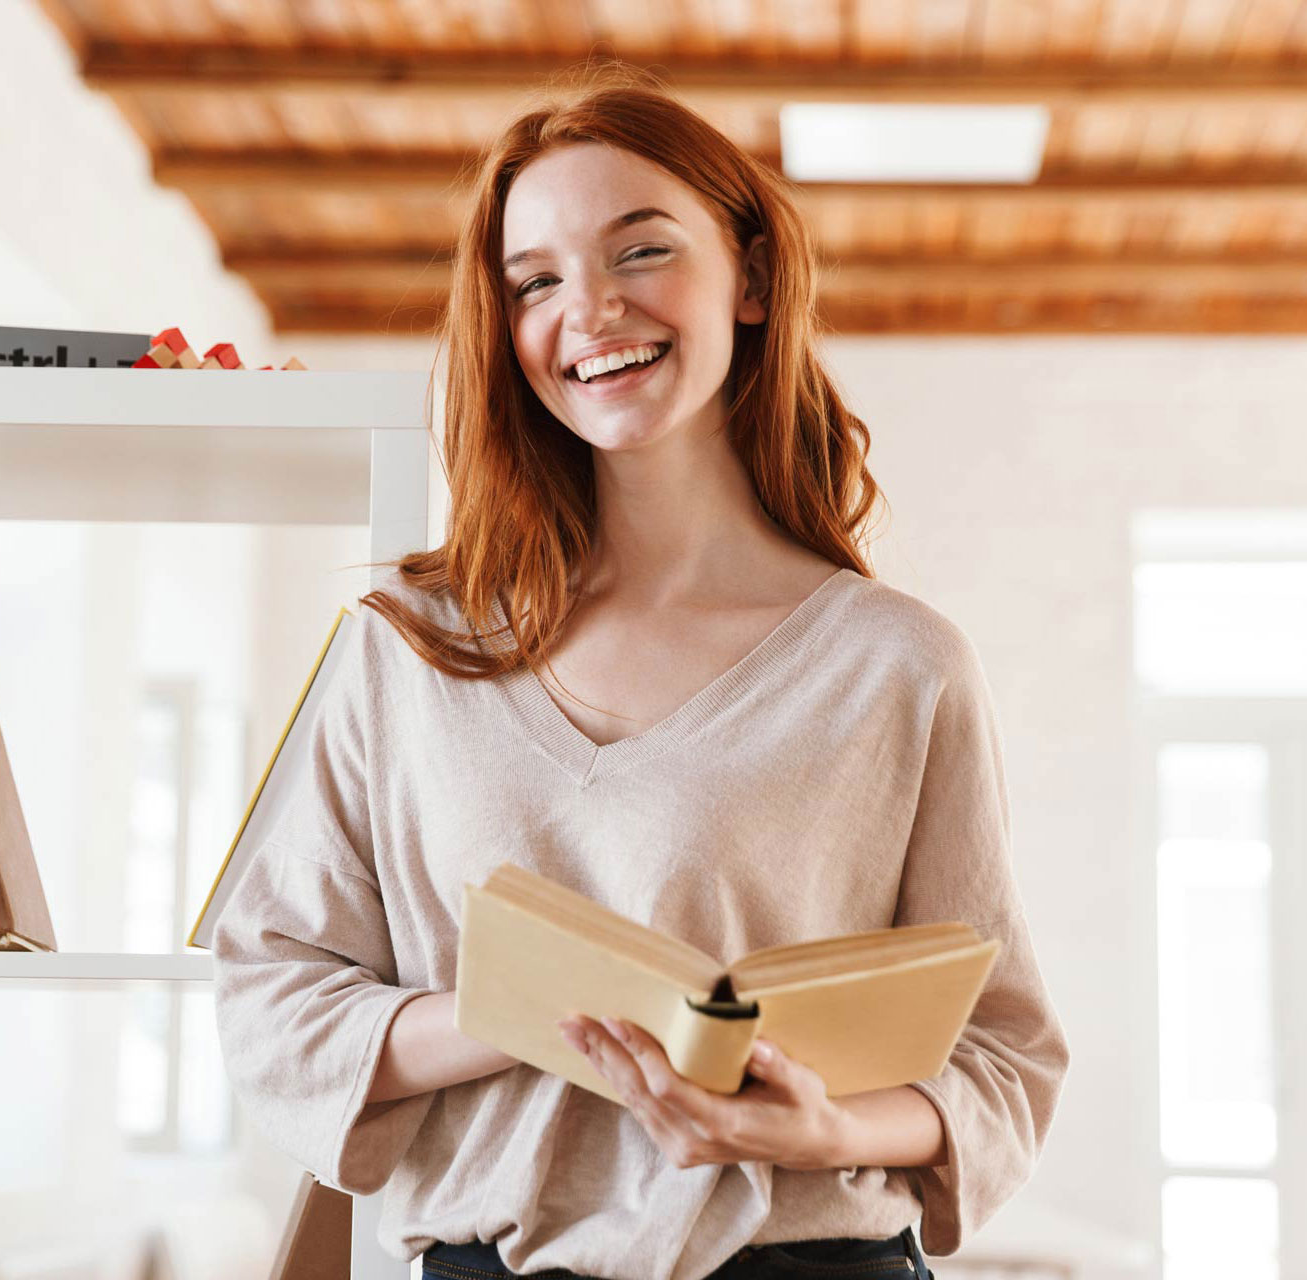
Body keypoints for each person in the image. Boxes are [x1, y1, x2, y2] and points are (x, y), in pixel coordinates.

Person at [212, 62, 1071, 1280]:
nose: (591, 311)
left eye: (640, 251)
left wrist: (826, 1125)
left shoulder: (898, 666)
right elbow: (271, 997)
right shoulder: (404, 643)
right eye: (537, 281)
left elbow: (1002, 1055)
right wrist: (529, 1008)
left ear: (755, 277)